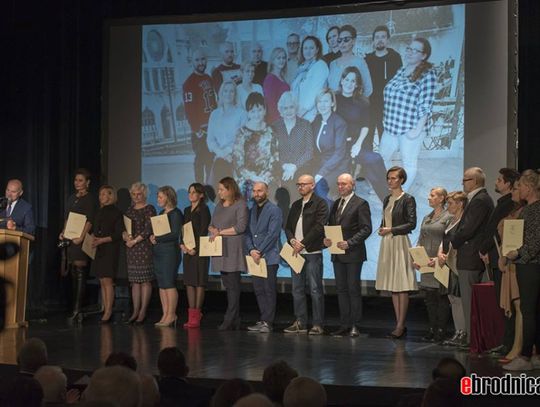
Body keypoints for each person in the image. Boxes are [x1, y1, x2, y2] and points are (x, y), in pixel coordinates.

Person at [379, 37, 436, 190]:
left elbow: (426, 105)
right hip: (391, 126)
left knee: (409, 162)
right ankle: (391, 186)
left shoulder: (427, 74)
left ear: (423, 55)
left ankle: (401, 193)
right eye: (408, 49)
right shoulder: (402, 70)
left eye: (415, 50)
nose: (410, 52)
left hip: (411, 128)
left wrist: (416, 130)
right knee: (382, 157)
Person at [477, 168, 520, 355]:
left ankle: (510, 344)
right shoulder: (502, 202)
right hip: (495, 256)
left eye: (499, 180)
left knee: (506, 302)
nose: (496, 182)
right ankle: (507, 342)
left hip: (501, 257)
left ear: (508, 184)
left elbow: (495, 230)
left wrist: (484, 248)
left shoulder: (509, 203)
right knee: (502, 302)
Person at [324, 173, 372, 337]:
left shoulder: (361, 203)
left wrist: (349, 242)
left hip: (353, 253)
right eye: (338, 184)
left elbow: (366, 228)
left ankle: (355, 325)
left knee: (353, 289)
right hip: (337, 253)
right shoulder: (336, 203)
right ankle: (344, 324)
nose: (340, 187)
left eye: (344, 184)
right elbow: (331, 226)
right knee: (341, 290)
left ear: (352, 185)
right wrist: (327, 240)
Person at [502, 169, 540, 371]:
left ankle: (525, 356)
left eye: (521, 186)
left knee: (529, 310)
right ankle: (536, 355)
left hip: (531, 266)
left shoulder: (535, 209)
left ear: (529, 187)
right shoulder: (528, 209)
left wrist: (516, 254)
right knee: (533, 310)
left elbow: (534, 242)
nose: (519, 190)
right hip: (529, 264)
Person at [451, 167, 494, 347]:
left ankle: (472, 340)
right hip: (470, 255)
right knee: (469, 300)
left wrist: (454, 240)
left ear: (475, 181)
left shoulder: (480, 200)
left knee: (469, 302)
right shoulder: (477, 199)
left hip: (470, 256)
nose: (463, 182)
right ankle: (472, 338)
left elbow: (468, 228)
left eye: (466, 179)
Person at [375, 166, 417, 339]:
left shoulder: (408, 199)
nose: (390, 181)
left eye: (394, 178)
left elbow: (411, 223)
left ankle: (401, 324)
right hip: (388, 242)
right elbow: (385, 219)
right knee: (393, 286)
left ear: (401, 180)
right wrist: (381, 228)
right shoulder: (387, 199)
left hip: (399, 241)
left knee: (401, 285)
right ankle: (398, 323)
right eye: (389, 178)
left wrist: (391, 229)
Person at [334, 66, 388, 201]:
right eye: (347, 79)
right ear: (341, 81)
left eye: (353, 81)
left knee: (374, 160)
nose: (349, 84)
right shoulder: (334, 98)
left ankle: (388, 200)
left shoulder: (362, 101)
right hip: (337, 145)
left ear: (357, 84)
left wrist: (358, 144)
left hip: (355, 144)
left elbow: (365, 125)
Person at [284, 174, 328, 335]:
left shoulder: (320, 204)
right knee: (297, 289)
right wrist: (292, 240)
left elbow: (319, 227)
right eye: (298, 184)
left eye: (304, 184)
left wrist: (303, 243)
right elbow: (288, 227)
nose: (300, 187)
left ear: (312, 185)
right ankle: (300, 322)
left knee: (315, 289)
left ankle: (317, 324)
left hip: (312, 252)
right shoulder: (296, 205)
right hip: (296, 252)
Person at [209, 177, 248, 330]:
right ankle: (236, 318)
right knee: (227, 285)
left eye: (221, 189)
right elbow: (212, 224)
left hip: (232, 249)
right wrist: (213, 230)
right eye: (218, 189)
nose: (219, 192)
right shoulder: (219, 205)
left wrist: (220, 232)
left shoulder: (240, 205)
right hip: (220, 248)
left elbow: (241, 227)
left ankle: (229, 317)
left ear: (230, 189)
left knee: (233, 286)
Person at [415, 187, 453, 342]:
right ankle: (432, 328)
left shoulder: (449, 216)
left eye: (432, 195)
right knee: (429, 298)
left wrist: (438, 259)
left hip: (440, 262)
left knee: (441, 298)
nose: (429, 197)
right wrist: (416, 256)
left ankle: (441, 330)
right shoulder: (427, 217)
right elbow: (421, 238)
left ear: (442, 198)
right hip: (426, 263)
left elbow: (449, 239)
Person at [59, 168, 97, 320]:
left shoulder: (90, 199)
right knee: (73, 273)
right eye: (76, 180)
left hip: (81, 239)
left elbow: (90, 220)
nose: (77, 183)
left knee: (80, 272)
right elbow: (68, 218)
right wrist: (63, 232)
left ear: (87, 183)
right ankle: (75, 308)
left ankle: (77, 309)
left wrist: (82, 237)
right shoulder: (71, 198)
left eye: (81, 180)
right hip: (71, 239)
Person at [245, 182, 283, 333]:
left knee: (268, 289)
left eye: (259, 191)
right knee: (258, 289)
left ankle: (268, 322)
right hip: (254, 256)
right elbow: (247, 233)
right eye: (254, 191)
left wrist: (259, 250)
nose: (256, 194)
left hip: (268, 256)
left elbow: (273, 234)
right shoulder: (251, 210)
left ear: (266, 191)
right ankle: (263, 319)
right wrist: (252, 250)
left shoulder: (275, 210)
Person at [232, 92, 278, 198]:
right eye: (253, 111)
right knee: (249, 196)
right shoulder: (241, 133)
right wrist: (254, 178)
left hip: (267, 177)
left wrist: (265, 177)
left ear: (265, 110)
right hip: (246, 178)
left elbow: (275, 157)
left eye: (260, 110)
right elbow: (237, 163)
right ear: (248, 113)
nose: (256, 114)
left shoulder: (271, 131)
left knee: (273, 195)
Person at [364, 25, 403, 152]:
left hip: (387, 105)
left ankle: (383, 165)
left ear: (388, 40)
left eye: (383, 37)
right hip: (370, 104)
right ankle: (368, 165)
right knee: (368, 135)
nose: (380, 40)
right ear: (373, 41)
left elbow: (400, 81)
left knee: (385, 136)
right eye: (377, 37)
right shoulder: (367, 59)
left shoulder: (395, 57)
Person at [123, 182, 156, 325]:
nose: (136, 197)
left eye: (139, 194)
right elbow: (124, 228)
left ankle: (143, 311)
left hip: (144, 248)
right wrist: (125, 236)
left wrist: (134, 241)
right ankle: (135, 311)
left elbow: (148, 229)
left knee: (145, 281)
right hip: (131, 250)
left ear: (145, 194)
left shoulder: (150, 209)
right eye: (134, 194)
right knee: (135, 282)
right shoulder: (129, 210)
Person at [183, 49, 218, 183]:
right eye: (197, 60)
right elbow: (189, 108)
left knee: (210, 159)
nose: (200, 63)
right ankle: (199, 186)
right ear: (192, 62)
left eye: (203, 59)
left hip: (211, 127)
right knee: (200, 159)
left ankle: (209, 187)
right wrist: (196, 128)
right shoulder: (189, 82)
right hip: (200, 130)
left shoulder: (208, 78)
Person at [438, 191, 467, 347]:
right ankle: (458, 331)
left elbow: (458, 242)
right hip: (447, 264)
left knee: (459, 299)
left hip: (456, 263)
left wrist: (448, 255)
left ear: (460, 204)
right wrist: (440, 254)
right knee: (452, 299)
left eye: (450, 203)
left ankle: (463, 332)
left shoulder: (463, 221)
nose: (447, 206)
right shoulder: (450, 221)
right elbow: (444, 241)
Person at [150, 186, 183, 327]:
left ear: (168, 197)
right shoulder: (161, 212)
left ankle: (171, 315)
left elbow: (175, 234)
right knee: (162, 285)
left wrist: (158, 238)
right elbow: (159, 231)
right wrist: (153, 237)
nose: (158, 199)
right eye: (158, 197)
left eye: (160, 197)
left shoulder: (176, 213)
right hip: (159, 252)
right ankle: (165, 314)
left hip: (170, 252)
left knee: (169, 284)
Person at [91, 185, 123, 323]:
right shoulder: (99, 211)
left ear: (111, 196)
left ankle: (109, 310)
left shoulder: (116, 212)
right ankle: (104, 307)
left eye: (104, 194)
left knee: (108, 280)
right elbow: (95, 228)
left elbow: (117, 234)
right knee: (102, 280)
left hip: (110, 248)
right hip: (98, 249)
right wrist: (93, 237)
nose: (101, 197)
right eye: (100, 194)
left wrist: (102, 240)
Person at [180, 183, 211, 329]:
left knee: (199, 282)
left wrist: (195, 248)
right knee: (189, 282)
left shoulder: (204, 210)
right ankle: (191, 314)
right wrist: (182, 245)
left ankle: (196, 315)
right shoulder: (186, 210)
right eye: (189, 192)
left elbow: (203, 231)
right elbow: (183, 230)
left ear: (201, 195)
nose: (191, 195)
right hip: (188, 251)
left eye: (194, 192)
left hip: (199, 252)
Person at [273, 91, 314, 193]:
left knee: (299, 187)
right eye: (285, 108)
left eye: (291, 107)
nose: (289, 111)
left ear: (296, 108)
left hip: (301, 166)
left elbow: (310, 151)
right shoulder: (275, 126)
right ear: (281, 110)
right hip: (281, 167)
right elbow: (272, 151)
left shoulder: (305, 125)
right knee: (283, 190)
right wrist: (284, 165)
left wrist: (294, 166)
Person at [311, 88, 348, 201]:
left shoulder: (339, 123)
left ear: (332, 103)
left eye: (326, 101)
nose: (322, 105)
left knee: (319, 186)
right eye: (320, 101)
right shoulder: (317, 120)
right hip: (322, 163)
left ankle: (331, 216)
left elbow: (339, 154)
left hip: (337, 165)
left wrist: (320, 173)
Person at [207, 80, 246, 185]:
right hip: (219, 157)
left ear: (235, 94)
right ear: (221, 93)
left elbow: (242, 139)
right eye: (225, 91)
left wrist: (228, 151)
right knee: (219, 167)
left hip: (236, 157)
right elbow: (210, 140)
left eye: (232, 91)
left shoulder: (241, 114)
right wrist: (220, 152)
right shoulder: (214, 115)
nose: (228, 94)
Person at [291, 36, 329, 122]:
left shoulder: (320, 66)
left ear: (317, 50)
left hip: (310, 115)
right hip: (297, 113)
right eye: (305, 48)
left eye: (311, 48)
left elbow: (315, 93)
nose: (308, 51)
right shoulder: (302, 67)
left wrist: (300, 114)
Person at [328, 25, 373, 97]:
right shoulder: (332, 64)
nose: (342, 43)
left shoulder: (360, 62)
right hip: (333, 106)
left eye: (346, 39)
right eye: (339, 40)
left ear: (353, 41)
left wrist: (356, 103)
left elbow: (368, 89)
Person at [263, 47, 290, 124]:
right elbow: (271, 105)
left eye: (283, 58)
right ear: (273, 61)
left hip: (285, 118)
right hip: (276, 121)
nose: (282, 60)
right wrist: (279, 122)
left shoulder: (282, 77)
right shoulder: (270, 79)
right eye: (278, 58)